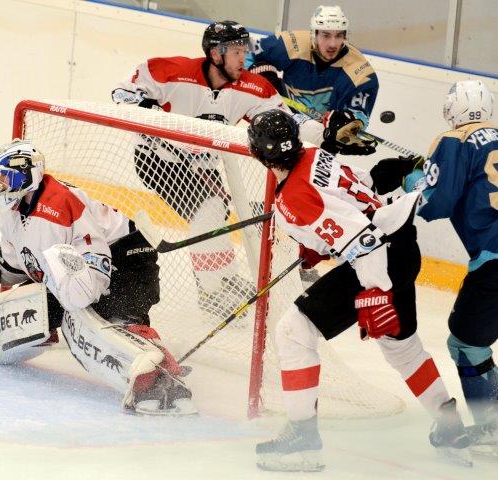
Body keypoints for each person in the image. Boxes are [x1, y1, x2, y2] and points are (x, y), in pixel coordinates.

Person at [246, 109, 471, 471]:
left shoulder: (294, 197)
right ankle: (450, 428)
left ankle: (302, 441)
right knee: (402, 348)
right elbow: (360, 190)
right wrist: (318, 243)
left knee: (293, 331)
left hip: (376, 258)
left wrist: (376, 291)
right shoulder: (314, 155)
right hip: (401, 246)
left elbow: (362, 242)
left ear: (257, 153)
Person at [112, 20, 373, 319]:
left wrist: (326, 133)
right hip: (157, 158)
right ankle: (211, 289)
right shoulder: (171, 70)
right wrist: (142, 105)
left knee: (217, 211)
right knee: (208, 210)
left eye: (244, 51)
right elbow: (122, 92)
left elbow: (289, 123)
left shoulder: (253, 87)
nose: (243, 58)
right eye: (236, 52)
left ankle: (221, 276)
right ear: (215, 54)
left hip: (202, 164)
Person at [0, 139, 196, 416]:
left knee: (106, 318)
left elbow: (95, 255)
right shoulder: (11, 208)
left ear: (26, 175)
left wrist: (85, 298)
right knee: (45, 305)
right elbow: (16, 259)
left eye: (7, 176)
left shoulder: (59, 205)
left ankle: (161, 379)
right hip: (77, 267)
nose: (1, 183)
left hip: (128, 255)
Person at [391, 80, 497, 455]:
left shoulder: (453, 139)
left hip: (494, 259)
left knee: (466, 343)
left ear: (452, 109)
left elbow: (435, 203)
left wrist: (412, 180)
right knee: (473, 339)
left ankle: (492, 426)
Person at [248, 5, 378, 129]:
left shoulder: (360, 72)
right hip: (282, 117)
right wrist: (258, 84)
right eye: (326, 35)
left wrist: (348, 122)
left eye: (338, 35)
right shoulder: (291, 44)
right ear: (314, 34)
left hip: (323, 133)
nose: (332, 44)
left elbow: (359, 118)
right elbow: (247, 54)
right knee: (259, 68)